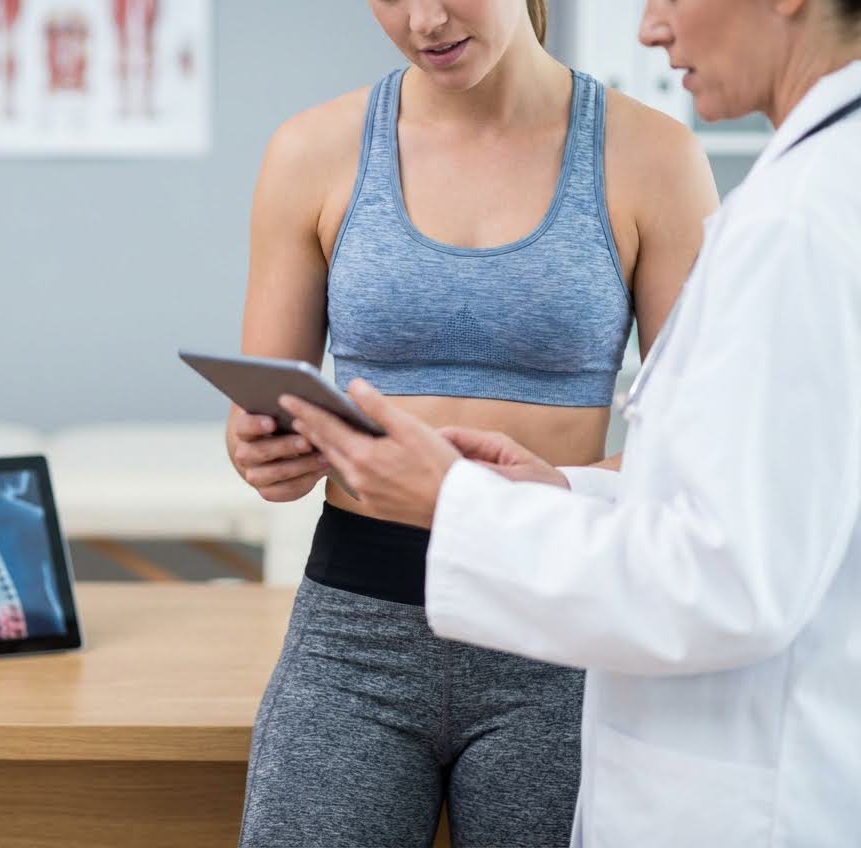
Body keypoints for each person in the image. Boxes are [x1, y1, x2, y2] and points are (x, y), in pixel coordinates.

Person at [281, 0, 861, 845]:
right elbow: (728, 488)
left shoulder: (798, 215)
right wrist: (564, 489)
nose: (649, 28)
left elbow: (734, 576)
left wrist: (463, 507)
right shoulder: (806, 192)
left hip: (706, 739)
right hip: (368, 599)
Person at [228, 1, 717, 845]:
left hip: (559, 620)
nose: (425, 19)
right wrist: (262, 452)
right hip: (355, 626)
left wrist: (559, 485)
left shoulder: (653, 157)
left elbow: (700, 454)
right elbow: (270, 412)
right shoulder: (311, 152)